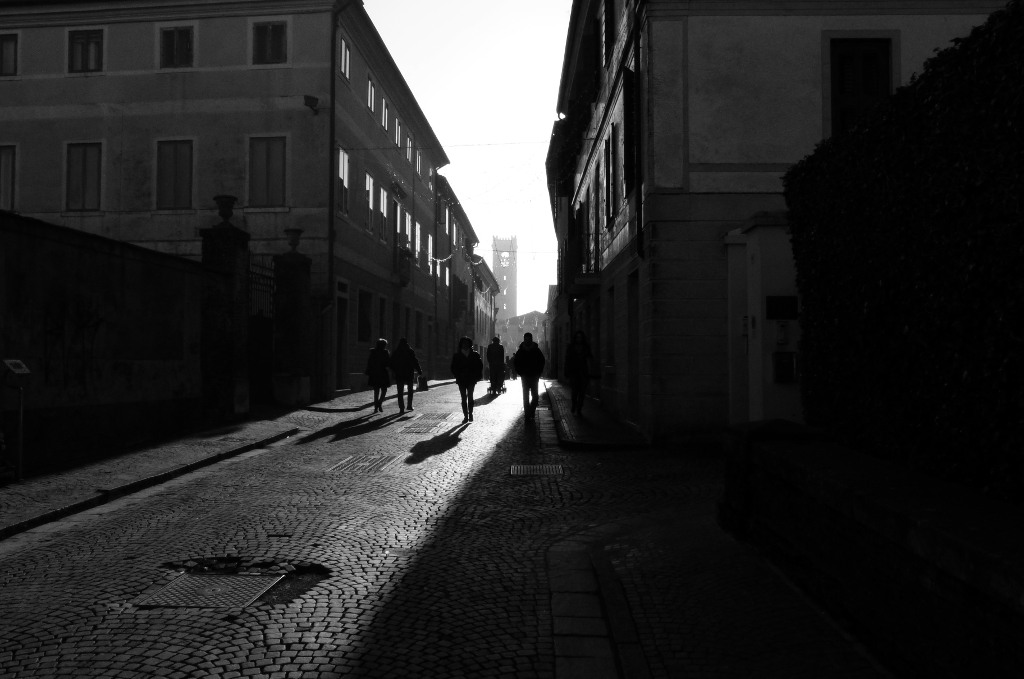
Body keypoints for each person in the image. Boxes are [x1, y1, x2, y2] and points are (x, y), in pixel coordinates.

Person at [513, 332, 546, 419]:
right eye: (526, 339)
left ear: (531, 339)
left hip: (534, 375)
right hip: (525, 376)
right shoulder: (520, 351)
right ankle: (527, 414)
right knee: (525, 396)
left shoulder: (536, 350)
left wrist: (539, 372)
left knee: (535, 397)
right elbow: (516, 362)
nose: (527, 340)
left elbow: (542, 361)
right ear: (524, 339)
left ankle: (531, 410)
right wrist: (520, 372)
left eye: (529, 339)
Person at [450, 336, 483, 422]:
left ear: (469, 344)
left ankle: (470, 413)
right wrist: (457, 375)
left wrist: (477, 376)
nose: (465, 345)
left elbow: (479, 366)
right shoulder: (457, 356)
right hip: (461, 379)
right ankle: (465, 416)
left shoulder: (475, 355)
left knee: (470, 397)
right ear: (461, 345)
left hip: (471, 379)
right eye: (463, 343)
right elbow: (453, 367)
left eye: (467, 343)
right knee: (463, 398)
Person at [564, 330, 594, 415]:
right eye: (577, 337)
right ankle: (574, 404)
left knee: (582, 392)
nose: (579, 339)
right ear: (575, 338)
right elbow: (567, 360)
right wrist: (566, 371)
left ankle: (579, 408)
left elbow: (590, 358)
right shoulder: (571, 347)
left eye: (580, 337)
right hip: (574, 372)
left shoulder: (586, 347)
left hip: (583, 372)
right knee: (574, 391)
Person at [390, 337, 422, 413]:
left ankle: (401, 407)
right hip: (409, 373)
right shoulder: (410, 351)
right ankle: (409, 405)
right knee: (410, 390)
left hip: (399, 374)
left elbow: (391, 363)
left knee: (400, 392)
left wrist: (394, 370)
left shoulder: (396, 352)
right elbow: (415, 361)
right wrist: (419, 370)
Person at [364, 338, 392, 413]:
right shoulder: (385, 352)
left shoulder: (373, 352)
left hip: (374, 373)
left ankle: (376, 407)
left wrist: (368, 371)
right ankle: (379, 403)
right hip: (383, 373)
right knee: (384, 390)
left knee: (376, 391)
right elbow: (388, 363)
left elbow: (369, 363)